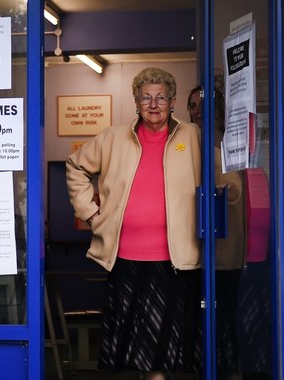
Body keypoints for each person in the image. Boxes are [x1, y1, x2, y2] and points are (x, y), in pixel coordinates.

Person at [66, 67, 202, 379]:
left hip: (174, 259)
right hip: (124, 257)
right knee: (129, 349)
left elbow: (217, 176)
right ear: (136, 102)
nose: (154, 104)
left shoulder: (193, 136)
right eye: (146, 98)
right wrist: (91, 214)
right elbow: (75, 167)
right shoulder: (113, 137)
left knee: (161, 349)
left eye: (161, 98)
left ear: (173, 101)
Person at [188, 85, 245, 380]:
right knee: (202, 321)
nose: (196, 110)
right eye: (192, 105)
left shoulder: (229, 142)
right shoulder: (188, 142)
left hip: (224, 251)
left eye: (202, 105)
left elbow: (236, 187)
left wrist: (224, 189)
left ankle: (232, 373)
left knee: (224, 321)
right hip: (196, 250)